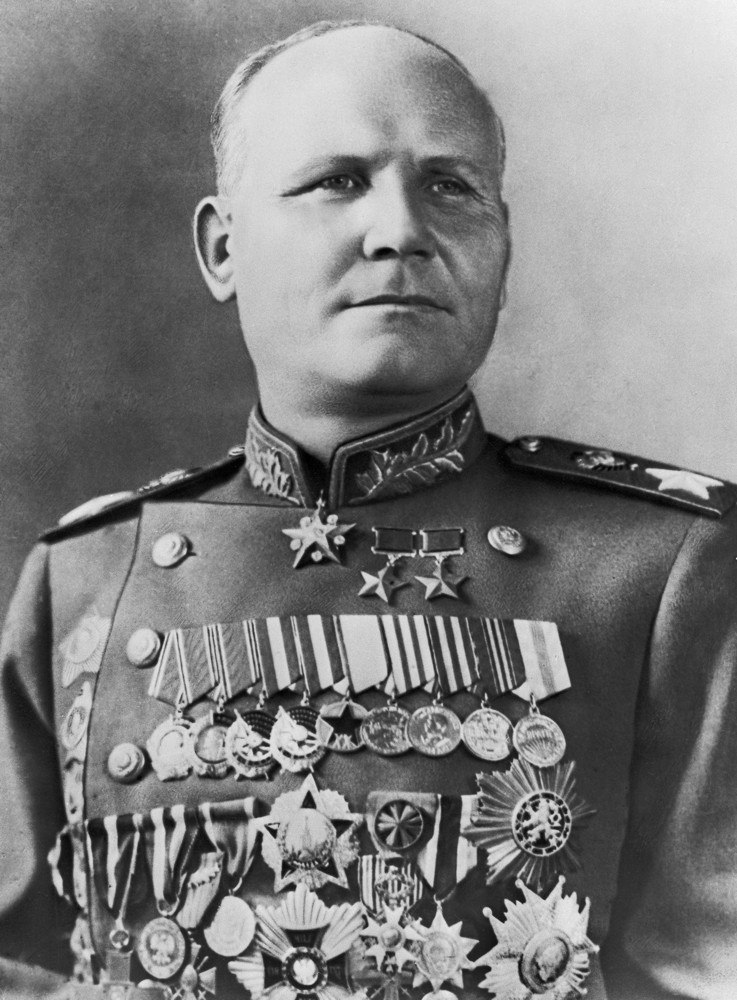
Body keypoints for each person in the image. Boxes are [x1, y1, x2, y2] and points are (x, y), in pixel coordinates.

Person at [1, 18, 736, 1000]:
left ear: (502, 249)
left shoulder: (664, 566)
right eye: (336, 180)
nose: (399, 230)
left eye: (450, 187)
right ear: (223, 248)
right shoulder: (86, 578)